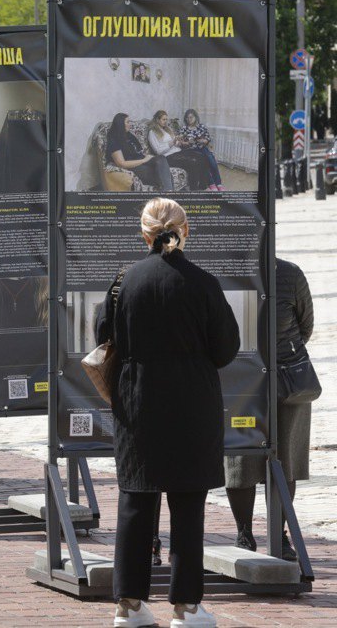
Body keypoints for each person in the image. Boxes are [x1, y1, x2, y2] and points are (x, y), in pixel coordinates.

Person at [95, 197, 239, 628]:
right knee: (188, 504)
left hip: (137, 401)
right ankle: (187, 607)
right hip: (192, 403)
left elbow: (104, 336)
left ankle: (129, 605)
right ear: (185, 230)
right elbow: (226, 348)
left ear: (144, 234)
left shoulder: (124, 282)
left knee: (135, 501)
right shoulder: (203, 283)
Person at [225, 258, 314, 561]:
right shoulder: (227, 272)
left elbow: (305, 327)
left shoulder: (290, 273)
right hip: (240, 380)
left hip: (288, 381)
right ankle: (244, 533)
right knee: (239, 460)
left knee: (285, 459)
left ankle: (280, 535)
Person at [105, 113, 174, 191]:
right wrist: (144, 160)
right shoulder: (114, 139)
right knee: (166, 176)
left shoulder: (129, 135)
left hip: (142, 161)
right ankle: (169, 197)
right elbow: (121, 163)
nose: (130, 124)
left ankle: (168, 196)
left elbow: (139, 152)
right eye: (127, 122)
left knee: (161, 158)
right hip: (133, 166)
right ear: (120, 124)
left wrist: (147, 158)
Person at [147, 111, 212, 191]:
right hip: (167, 157)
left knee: (202, 157)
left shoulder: (167, 130)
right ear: (157, 119)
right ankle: (194, 191)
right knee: (192, 163)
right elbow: (158, 151)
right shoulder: (152, 133)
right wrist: (172, 142)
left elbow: (175, 143)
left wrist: (179, 141)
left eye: (166, 119)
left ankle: (203, 186)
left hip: (178, 151)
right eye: (164, 119)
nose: (166, 121)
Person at [179, 109, 224, 191]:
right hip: (191, 149)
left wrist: (203, 141)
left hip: (202, 147)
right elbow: (180, 141)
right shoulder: (184, 128)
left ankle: (219, 183)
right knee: (203, 161)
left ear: (196, 117)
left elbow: (208, 138)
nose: (189, 119)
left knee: (211, 160)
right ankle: (211, 183)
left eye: (191, 117)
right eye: (187, 118)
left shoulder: (201, 126)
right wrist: (186, 143)